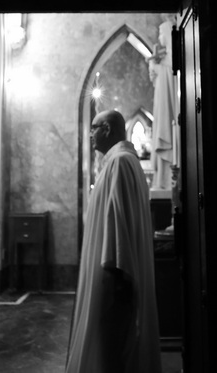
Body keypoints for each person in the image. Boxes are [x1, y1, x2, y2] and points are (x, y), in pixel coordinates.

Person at [66, 109, 162, 373]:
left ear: (107, 129)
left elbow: (117, 231)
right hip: (113, 279)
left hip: (113, 282)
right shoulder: (120, 162)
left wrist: (113, 284)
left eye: (94, 128)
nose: (91, 134)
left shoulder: (119, 163)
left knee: (111, 354)